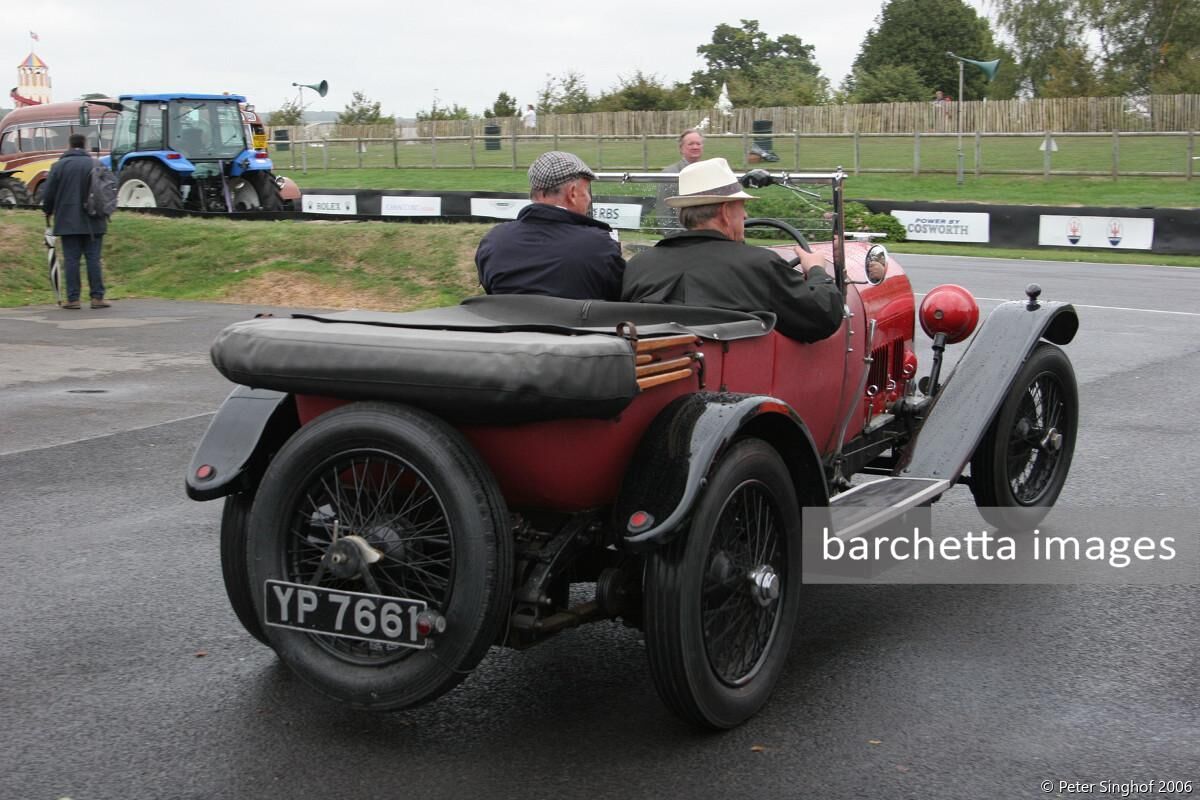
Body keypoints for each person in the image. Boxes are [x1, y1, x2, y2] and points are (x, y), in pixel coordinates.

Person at [623, 157, 843, 343]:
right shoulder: (759, 265)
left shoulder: (640, 265)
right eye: (742, 208)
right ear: (726, 212)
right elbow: (822, 319)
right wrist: (816, 270)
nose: (746, 217)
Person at [475, 150, 625, 300]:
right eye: (586, 191)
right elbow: (616, 299)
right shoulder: (599, 245)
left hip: (507, 322)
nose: (588, 199)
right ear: (572, 193)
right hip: (575, 323)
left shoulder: (493, 242)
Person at [42, 132, 110, 310]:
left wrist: (47, 211)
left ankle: (73, 299)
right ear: (85, 144)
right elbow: (108, 190)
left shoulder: (58, 166)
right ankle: (97, 297)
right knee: (93, 259)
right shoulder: (97, 164)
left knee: (72, 260)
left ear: (69, 145)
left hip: (67, 220)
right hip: (95, 219)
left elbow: (48, 193)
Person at [653, 129, 705, 229]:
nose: (695, 147)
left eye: (698, 144)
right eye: (691, 144)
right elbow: (664, 212)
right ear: (681, 148)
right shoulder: (670, 174)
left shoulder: (710, 172)